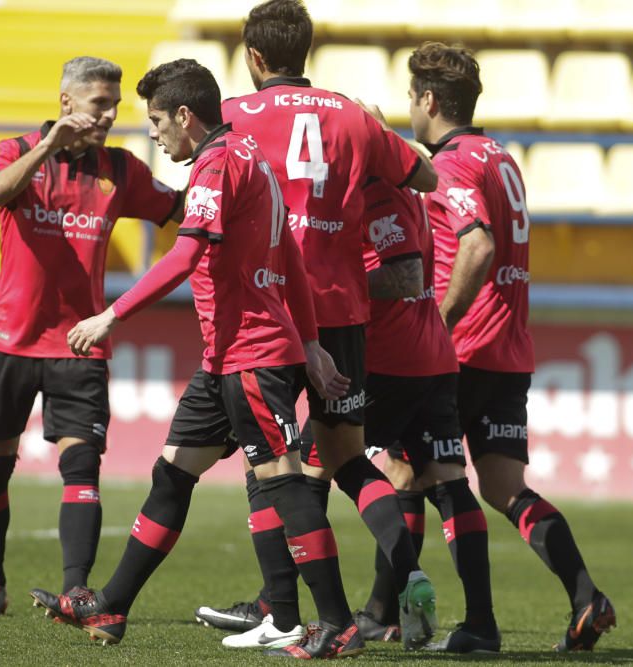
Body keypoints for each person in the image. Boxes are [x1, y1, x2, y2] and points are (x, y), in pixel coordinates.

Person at [30, 58, 367, 659]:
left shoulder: (217, 165)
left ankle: (337, 623)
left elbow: (185, 257)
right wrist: (312, 344)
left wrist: (111, 314)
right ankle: (111, 606)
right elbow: (289, 255)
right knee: (173, 472)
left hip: (253, 357)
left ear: (186, 116)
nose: (154, 133)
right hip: (226, 361)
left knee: (283, 482)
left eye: (158, 121)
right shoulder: (252, 159)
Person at [195, 0, 442, 649]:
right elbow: (426, 172)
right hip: (343, 313)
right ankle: (409, 573)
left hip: (271, 309)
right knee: (346, 459)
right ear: (306, 50)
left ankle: (285, 611)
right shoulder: (352, 117)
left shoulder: (232, 118)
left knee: (266, 463)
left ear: (253, 57)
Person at [219, 177, 502, 653]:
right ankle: (471, 621)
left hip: (390, 360)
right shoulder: (402, 194)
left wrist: (324, 286)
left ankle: (282, 607)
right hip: (433, 355)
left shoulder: (379, 195)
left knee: (314, 469)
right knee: (438, 480)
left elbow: (406, 276)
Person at [402, 41, 617, 652]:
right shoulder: (502, 158)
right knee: (502, 489)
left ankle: (410, 617)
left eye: (412, 98)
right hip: (509, 346)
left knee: (413, 472)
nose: (409, 109)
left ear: (430, 100)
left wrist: (438, 322)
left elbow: (478, 246)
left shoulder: (451, 163)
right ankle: (586, 598)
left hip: (463, 345)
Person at [0, 56, 183, 616]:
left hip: (79, 343)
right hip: (10, 340)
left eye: (115, 106)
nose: (110, 115)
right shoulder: (17, 151)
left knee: (82, 467)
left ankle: (77, 588)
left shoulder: (123, 169)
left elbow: (183, 211)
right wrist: (48, 147)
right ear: (67, 104)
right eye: (100, 105)